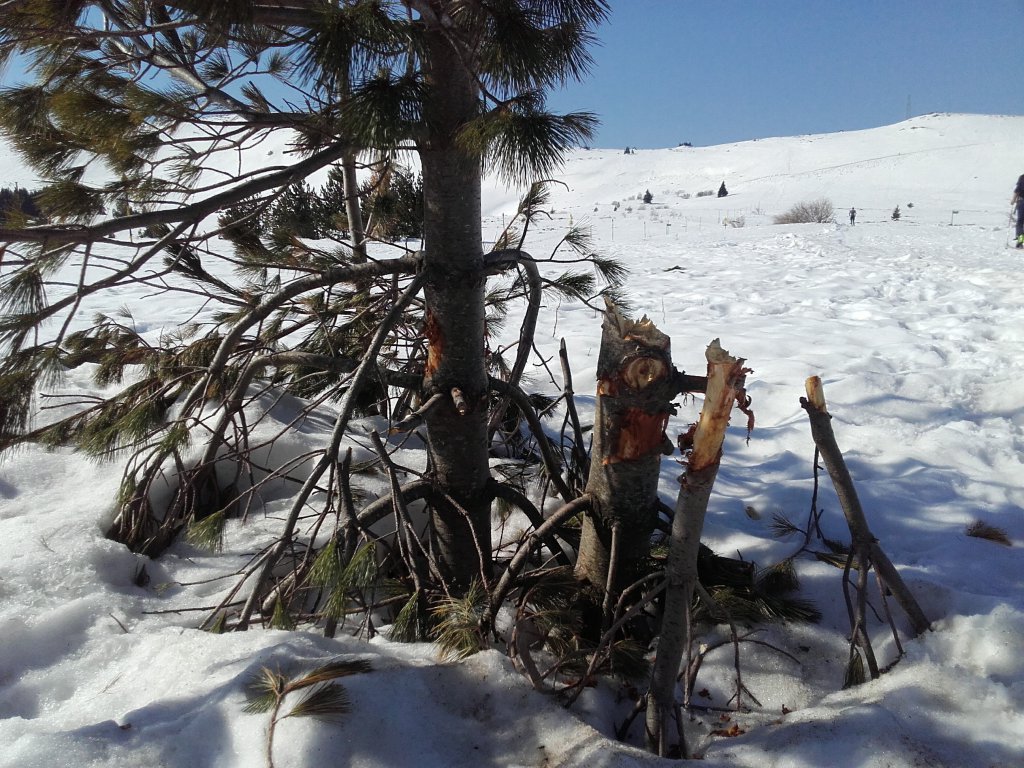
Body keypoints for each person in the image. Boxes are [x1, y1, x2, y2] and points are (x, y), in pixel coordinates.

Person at [1012, 174, 1024, 249]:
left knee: (1020, 223)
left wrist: (1013, 200)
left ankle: (1020, 242)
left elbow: (1018, 190)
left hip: (1022, 202)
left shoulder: (1022, 177)